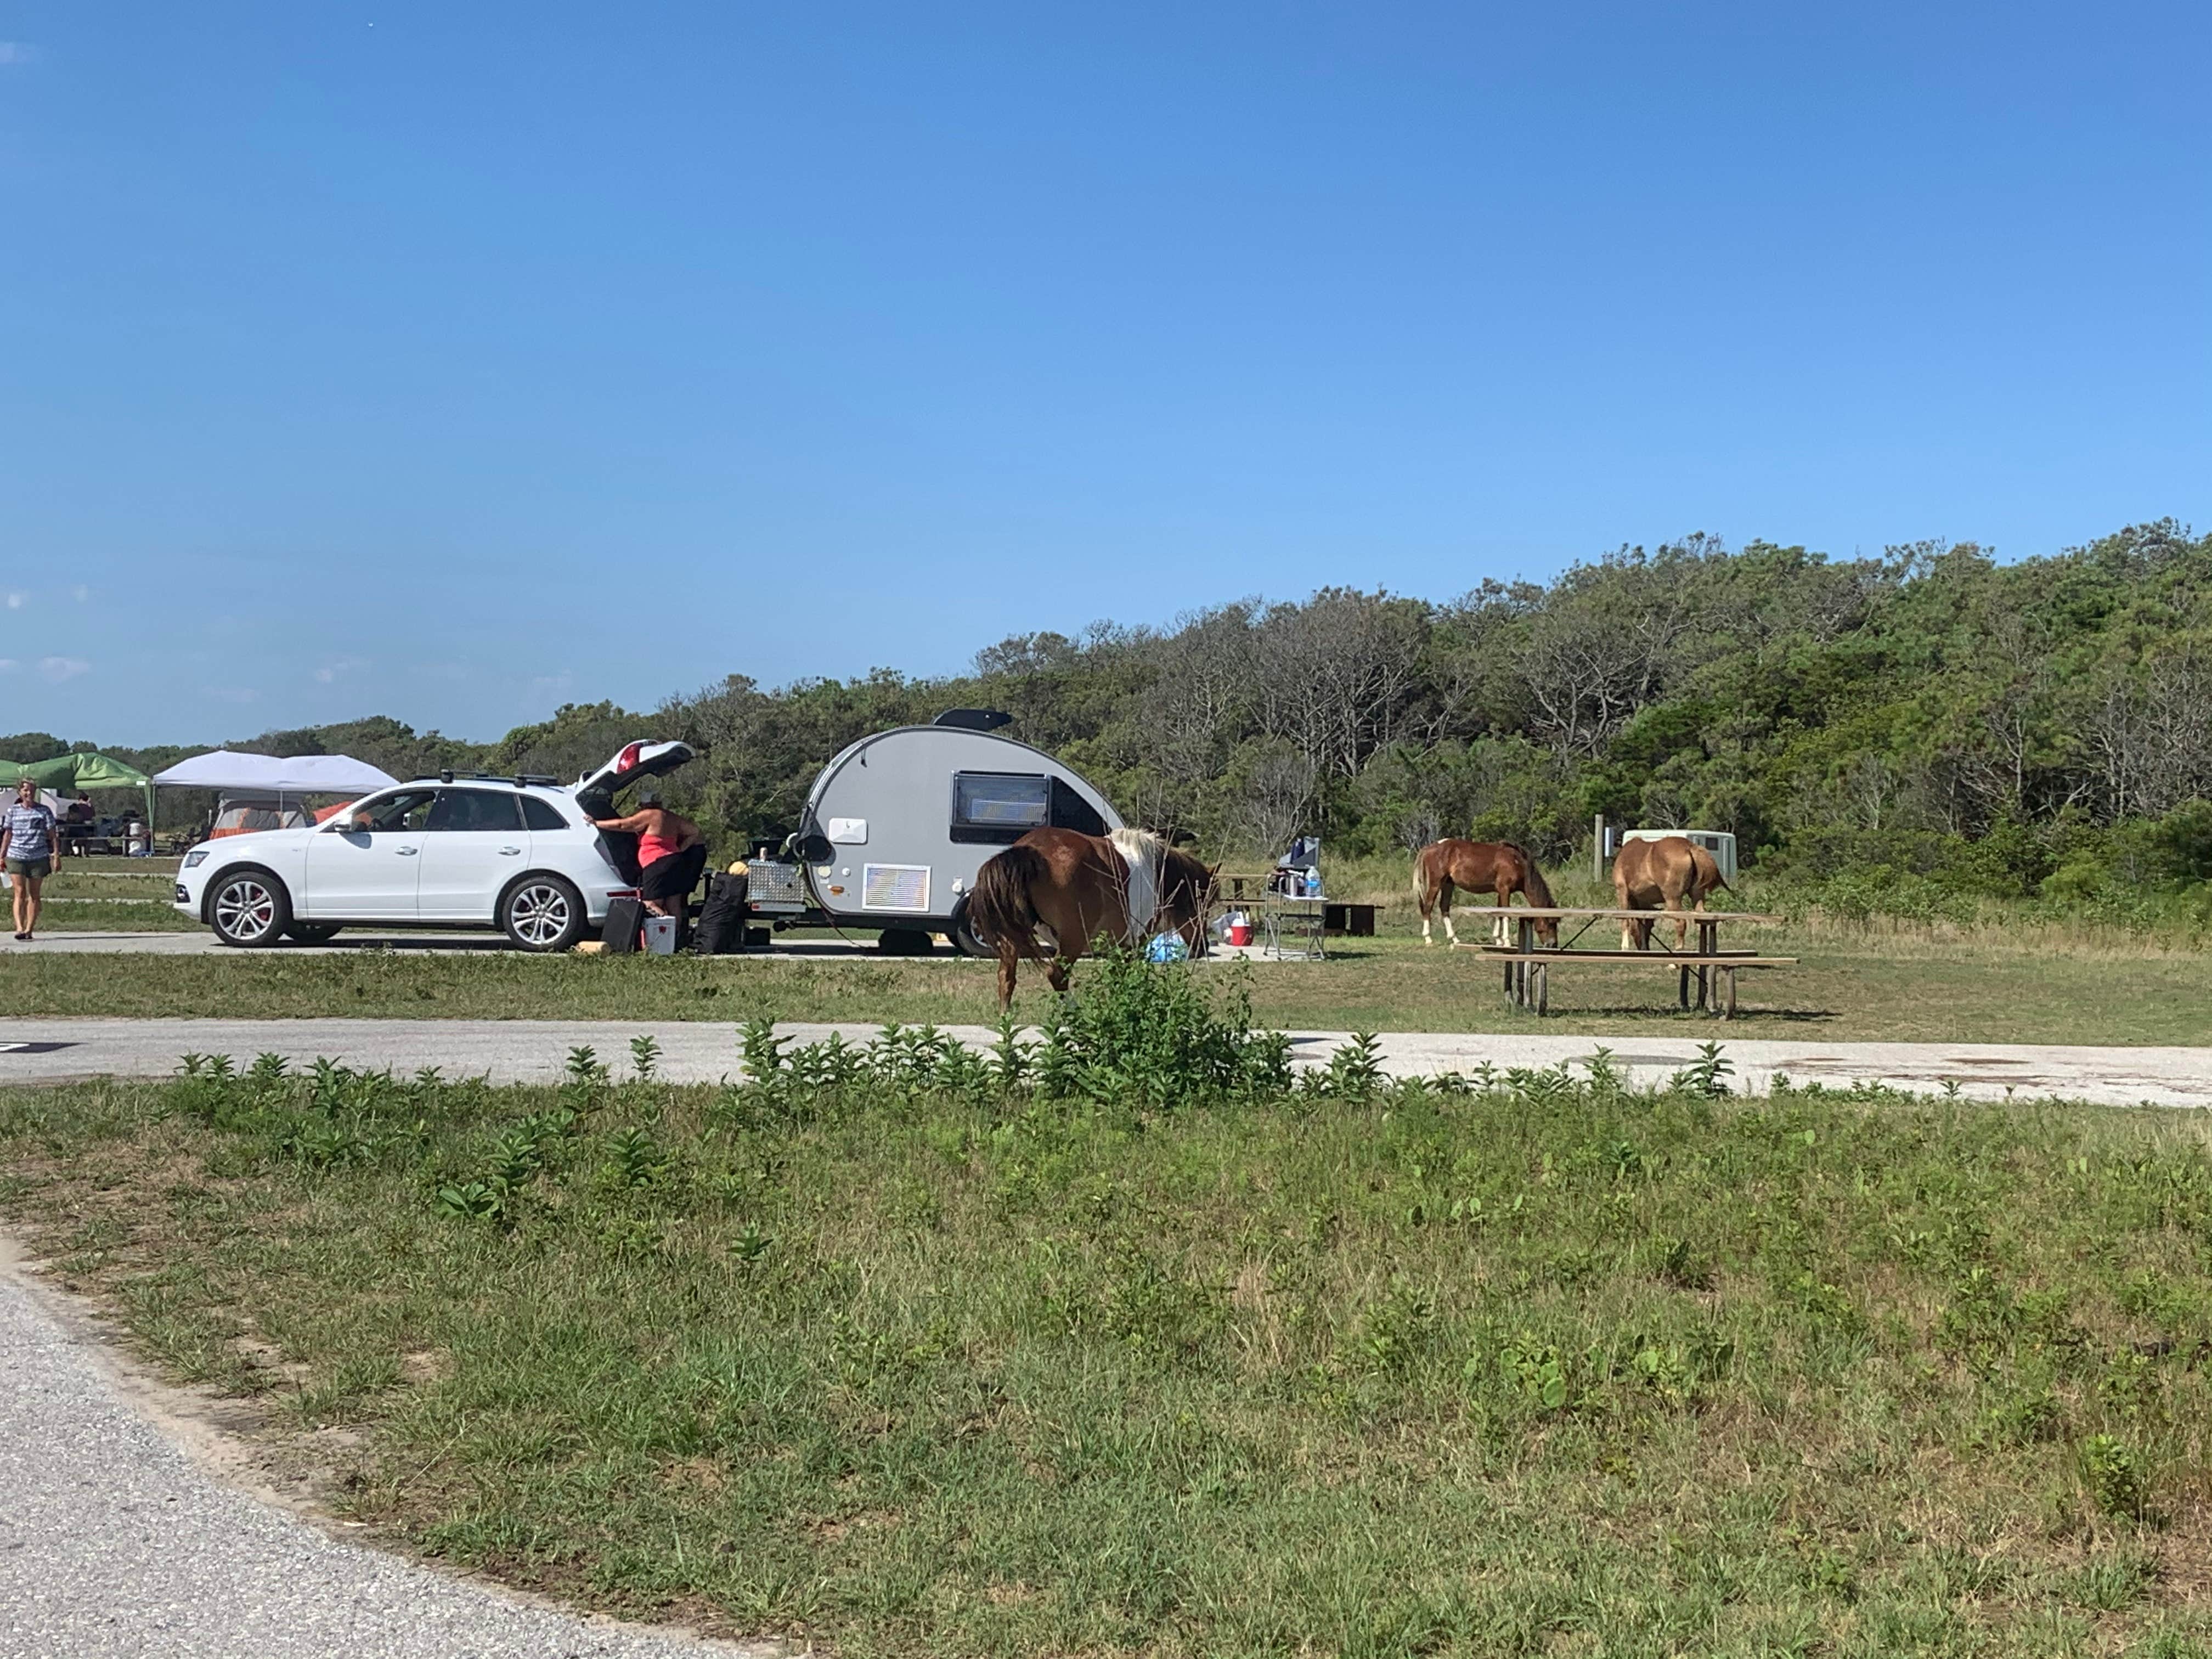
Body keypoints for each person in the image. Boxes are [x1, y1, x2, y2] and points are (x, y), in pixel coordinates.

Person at [591, 788, 707, 933]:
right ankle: (676, 939)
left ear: (645, 805)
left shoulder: (650, 815)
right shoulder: (670, 816)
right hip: (676, 862)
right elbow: (694, 832)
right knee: (674, 904)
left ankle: (663, 933)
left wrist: (597, 823)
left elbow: (623, 825)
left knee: (651, 903)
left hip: (657, 864)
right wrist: (680, 848)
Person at [0, 777, 60, 941]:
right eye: (26, 790)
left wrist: (56, 856)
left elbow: (53, 835)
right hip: (16, 856)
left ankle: (29, 929)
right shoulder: (13, 811)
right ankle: (19, 927)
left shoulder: (44, 811)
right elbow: (8, 834)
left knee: (34, 894)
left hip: (38, 856)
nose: (29, 793)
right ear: (20, 792)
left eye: (32, 790)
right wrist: (2, 855)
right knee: (20, 891)